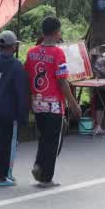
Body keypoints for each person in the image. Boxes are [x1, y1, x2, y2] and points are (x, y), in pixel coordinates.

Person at [26, 16, 80, 187]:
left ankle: (39, 166)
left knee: (44, 138)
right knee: (53, 141)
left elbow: (27, 76)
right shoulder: (58, 53)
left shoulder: (31, 52)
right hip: (54, 105)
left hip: (37, 102)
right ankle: (45, 176)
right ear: (57, 33)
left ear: (42, 32)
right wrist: (73, 103)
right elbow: (62, 81)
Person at [0, 31, 30, 187]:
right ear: (14, 47)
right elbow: (21, 93)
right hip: (9, 112)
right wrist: (23, 116)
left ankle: (5, 174)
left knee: (2, 142)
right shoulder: (16, 67)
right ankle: (1, 177)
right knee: (7, 144)